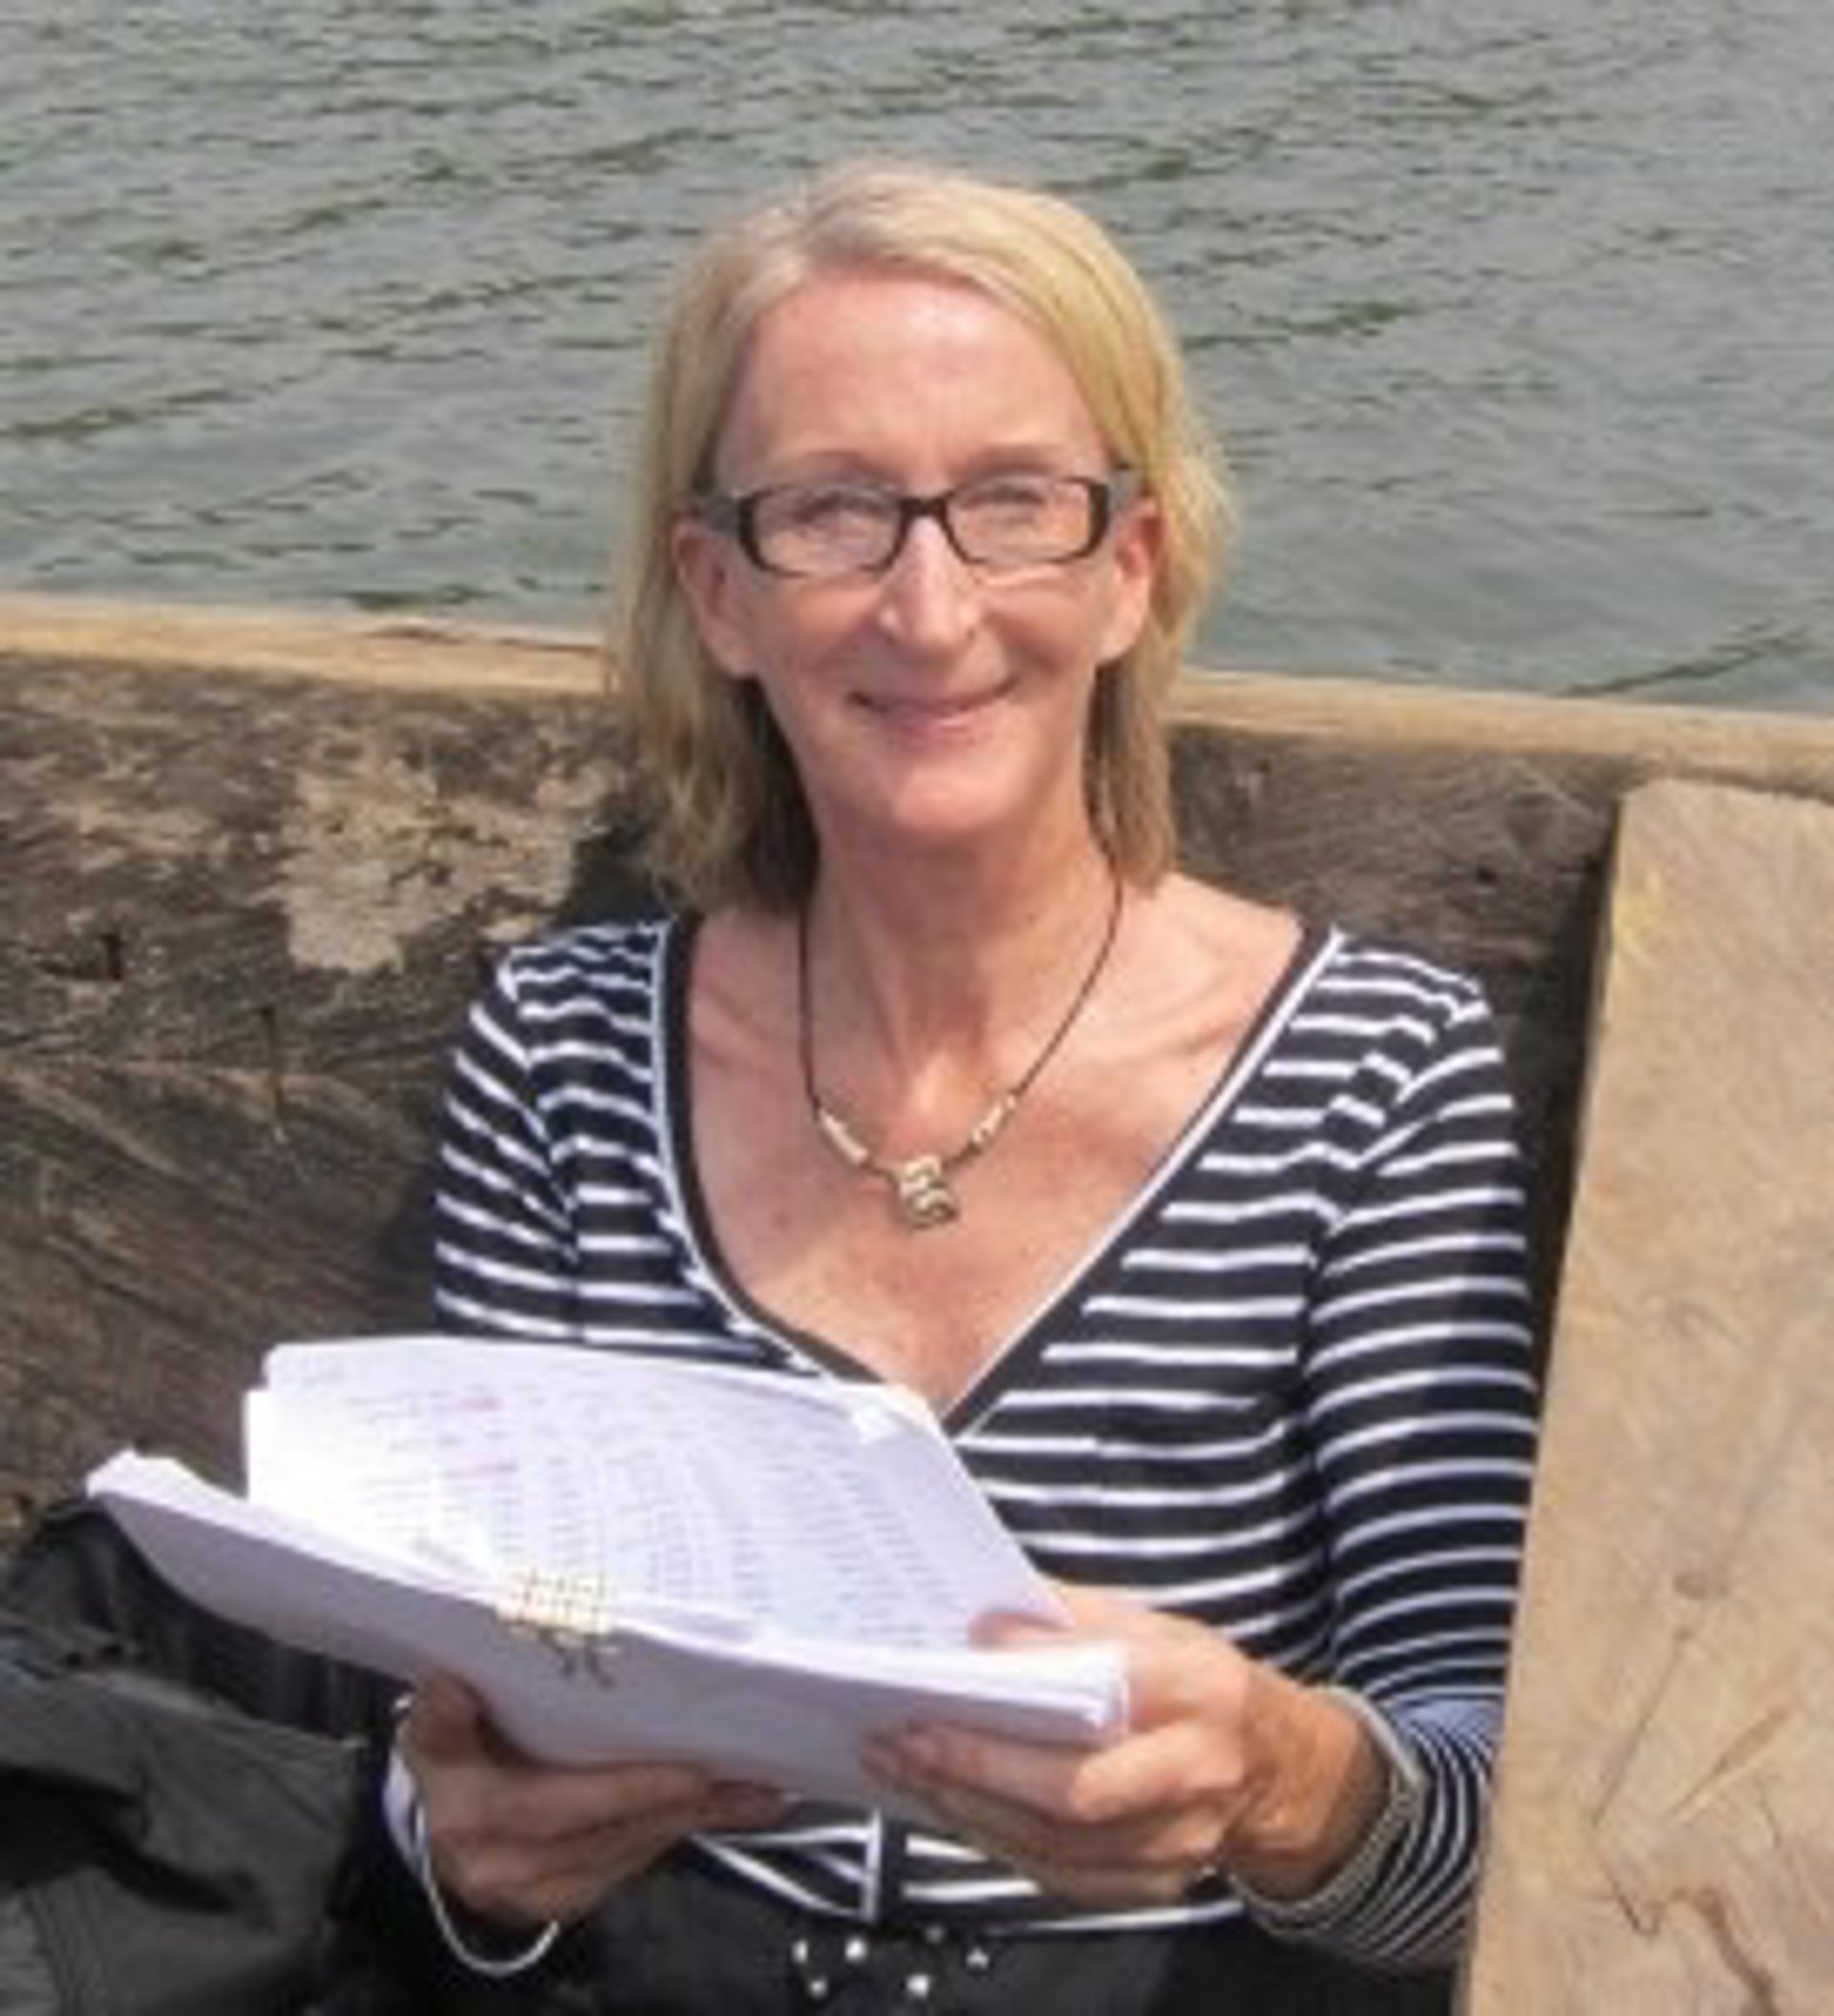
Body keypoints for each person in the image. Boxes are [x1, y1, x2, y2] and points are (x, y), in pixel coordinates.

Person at [395, 161, 1540, 2013]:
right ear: (719, 593)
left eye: (1013, 504)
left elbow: (1493, 1825)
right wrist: (466, 1853)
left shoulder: (1372, 1071)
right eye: (834, 513)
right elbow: (457, 1707)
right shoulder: (564, 1054)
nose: (930, 610)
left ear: (1128, 566)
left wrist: (1279, 1777)